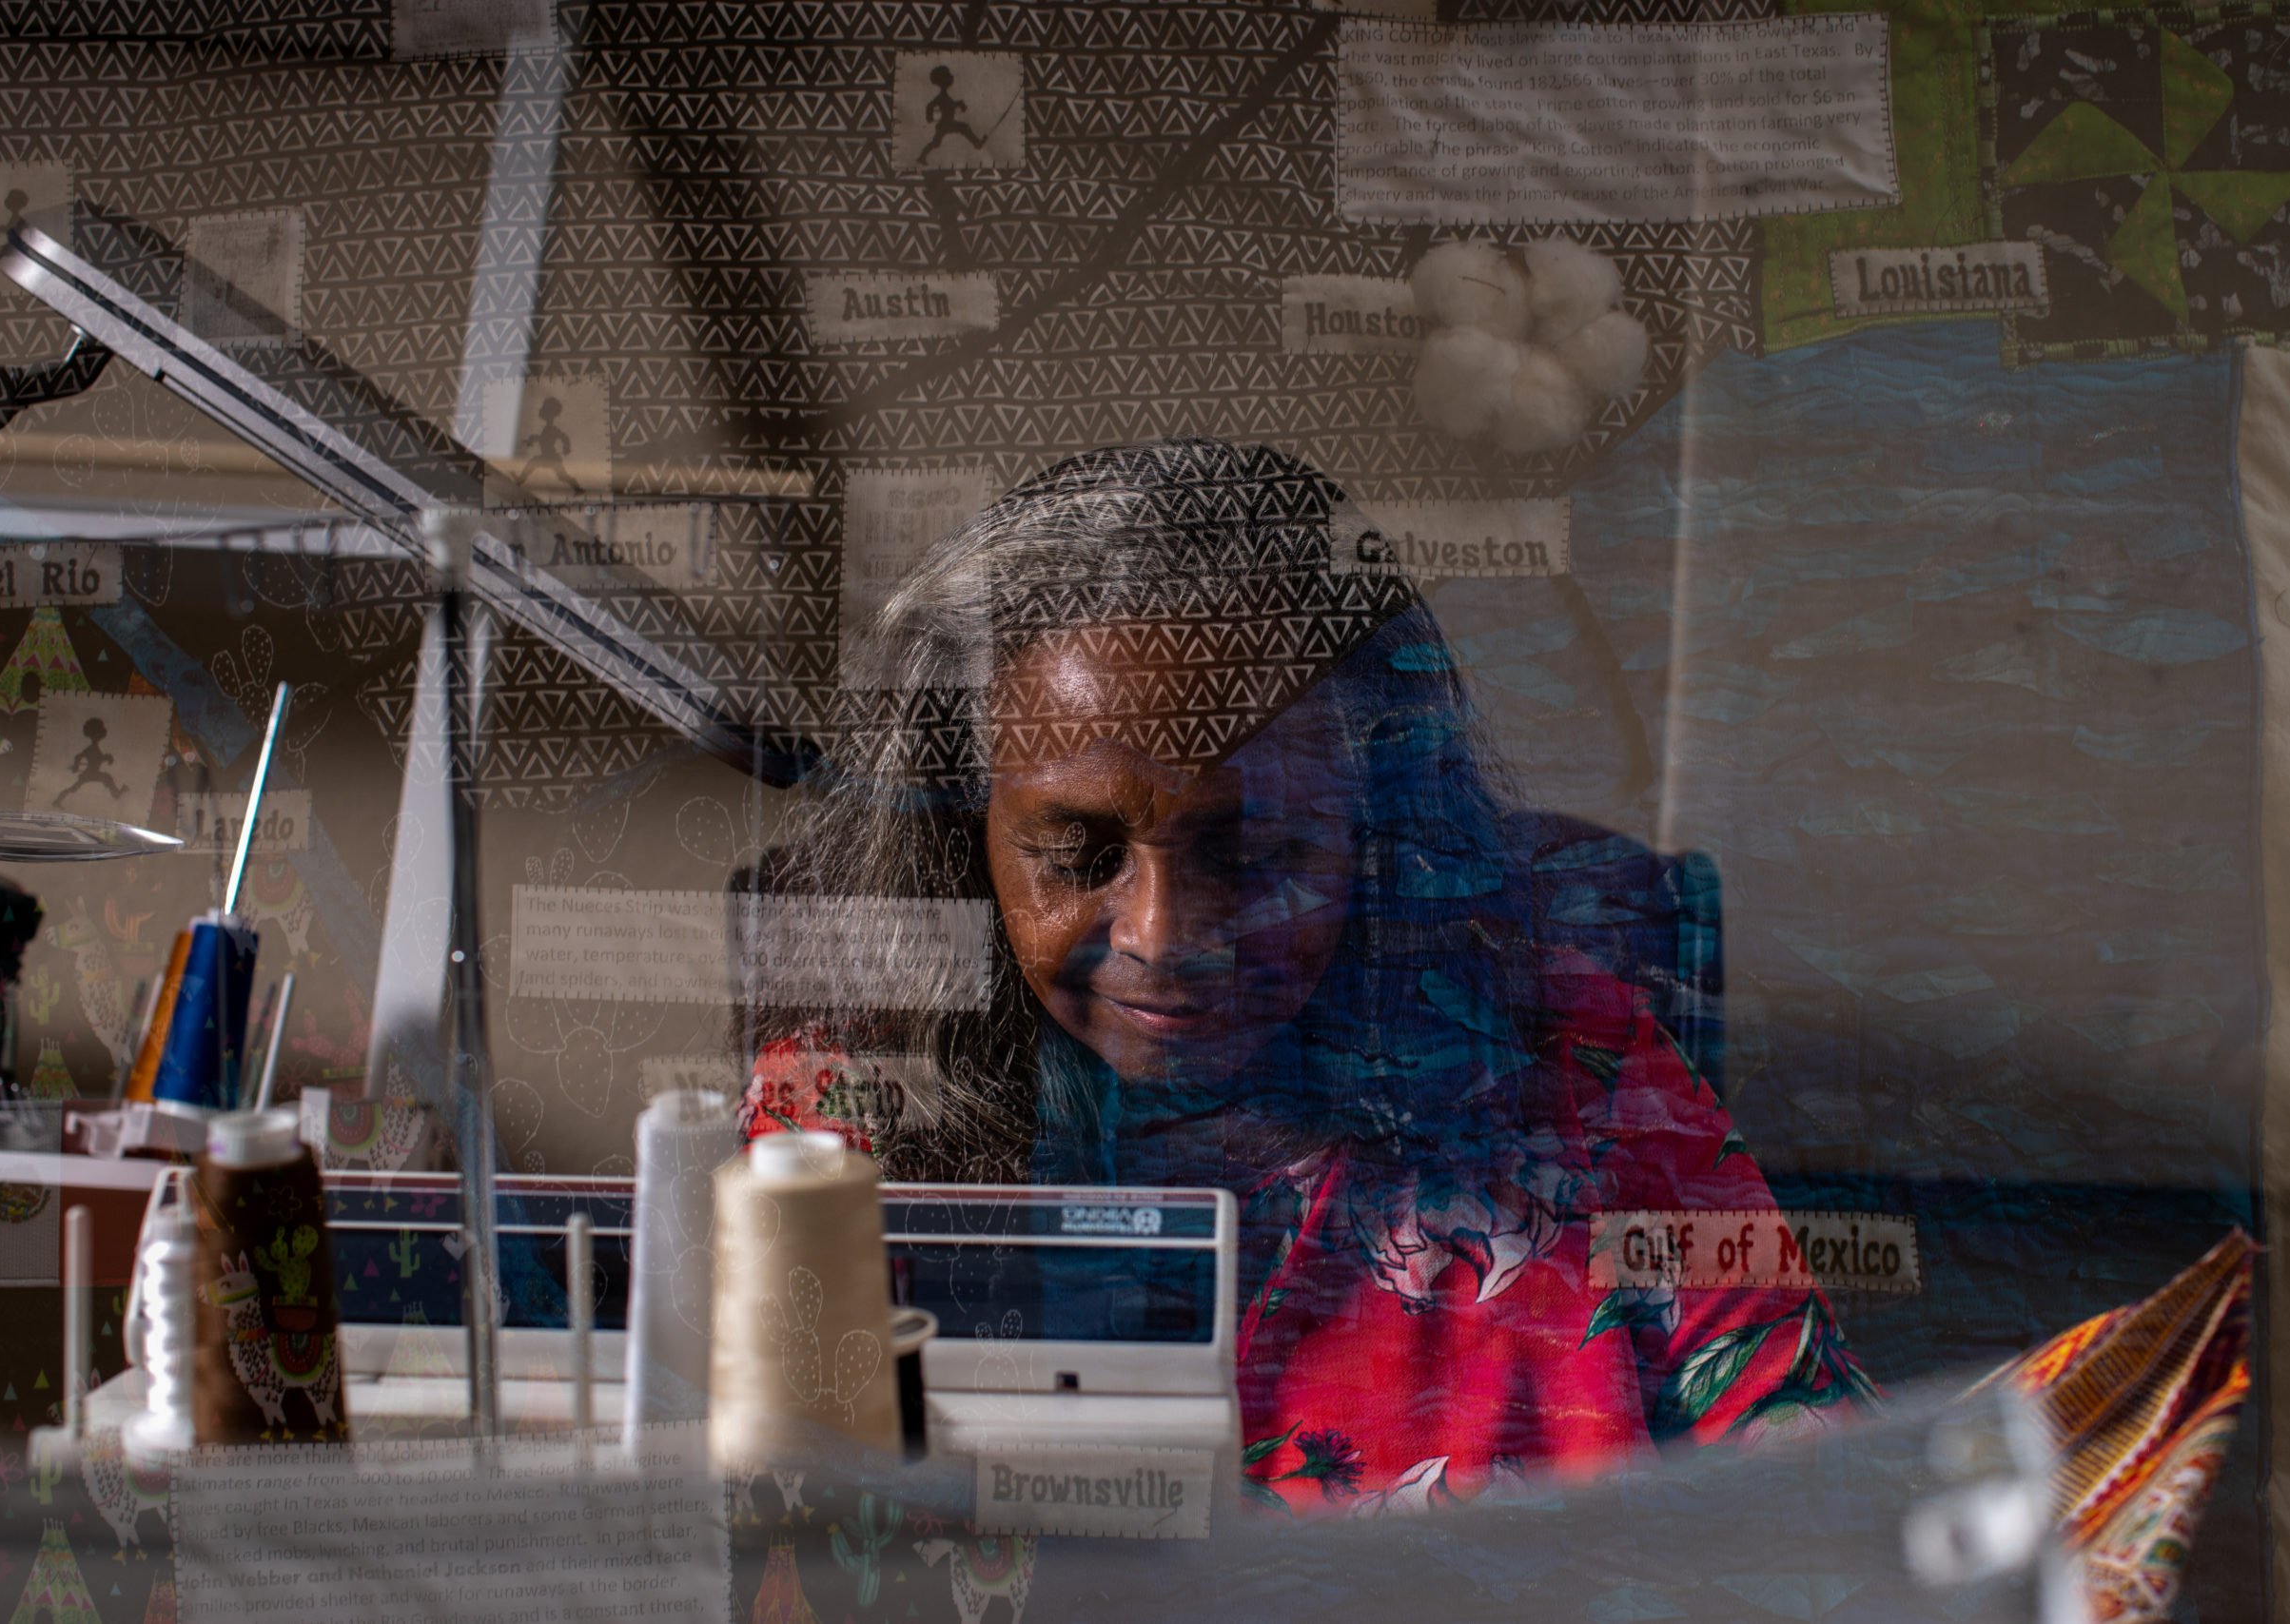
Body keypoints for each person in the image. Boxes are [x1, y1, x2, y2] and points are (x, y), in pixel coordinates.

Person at [739, 439, 1870, 1511]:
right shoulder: (843, 1116)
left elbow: (1812, 1494)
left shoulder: (1577, 1062)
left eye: (1256, 853)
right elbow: (780, 1536)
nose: (1161, 935)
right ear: (964, 837)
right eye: (1075, 852)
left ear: (1373, 832)